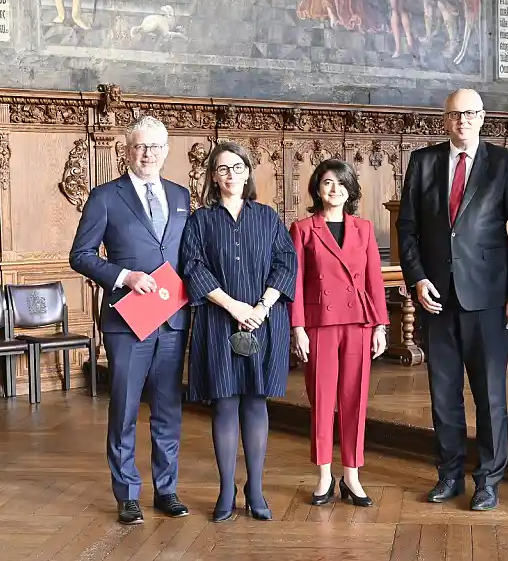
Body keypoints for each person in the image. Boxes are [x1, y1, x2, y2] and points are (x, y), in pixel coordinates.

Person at [396, 88, 508, 511]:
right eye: (455, 115)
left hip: (490, 299)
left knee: (490, 396)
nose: (463, 121)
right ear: (445, 119)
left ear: (483, 116)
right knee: (443, 394)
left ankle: (489, 480)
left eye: (471, 114)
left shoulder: (505, 163)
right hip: (436, 298)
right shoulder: (423, 162)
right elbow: (407, 229)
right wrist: (417, 279)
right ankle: (450, 474)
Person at [69, 116, 190, 525]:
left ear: (166, 151)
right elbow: (81, 255)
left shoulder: (181, 196)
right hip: (127, 322)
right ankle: (127, 493)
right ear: (127, 151)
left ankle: (167, 490)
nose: (148, 154)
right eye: (140, 147)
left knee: (168, 410)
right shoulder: (105, 197)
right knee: (123, 408)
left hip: (172, 319)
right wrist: (124, 276)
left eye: (155, 147)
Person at [179, 140, 297, 523]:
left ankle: (256, 488)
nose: (231, 175)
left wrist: (260, 308)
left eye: (238, 167)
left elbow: (286, 263)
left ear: (248, 172)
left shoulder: (267, 217)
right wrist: (233, 306)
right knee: (225, 402)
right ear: (213, 177)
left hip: (263, 322)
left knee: (256, 401)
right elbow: (193, 267)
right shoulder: (199, 221)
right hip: (218, 320)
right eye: (223, 169)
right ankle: (227, 487)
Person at [289, 159, 388, 507]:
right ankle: (323, 475)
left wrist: (380, 325)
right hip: (319, 324)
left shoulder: (363, 228)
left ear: (351, 190)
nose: (334, 189)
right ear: (317, 188)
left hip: (359, 322)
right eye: (328, 182)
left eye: (341, 183)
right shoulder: (302, 229)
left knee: (354, 400)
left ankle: (352, 475)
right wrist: (297, 327)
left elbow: (375, 278)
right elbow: (295, 283)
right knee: (321, 401)